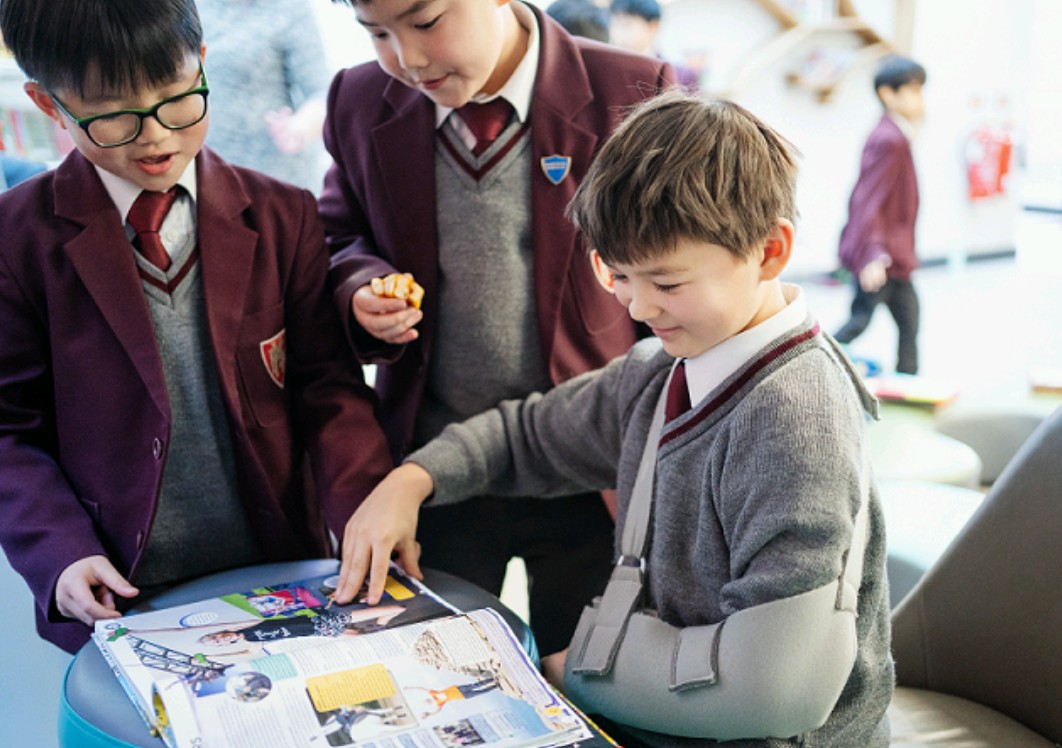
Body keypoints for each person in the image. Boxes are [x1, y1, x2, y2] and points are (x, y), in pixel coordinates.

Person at [334, 91, 893, 745]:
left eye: (668, 282)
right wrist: (412, 481)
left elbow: (771, 690)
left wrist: (578, 674)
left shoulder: (797, 422)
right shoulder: (661, 370)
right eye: (616, 275)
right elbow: (527, 437)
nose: (639, 306)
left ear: (769, 252)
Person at [0, 0, 393, 654]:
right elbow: (8, 427)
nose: (156, 136)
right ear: (49, 104)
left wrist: (364, 510)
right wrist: (60, 552)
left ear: (203, 63)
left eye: (178, 98)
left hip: (277, 568)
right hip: (122, 586)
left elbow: (328, 388)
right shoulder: (18, 240)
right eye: (115, 113)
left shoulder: (280, 214)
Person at [320, 0, 676, 657]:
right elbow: (340, 233)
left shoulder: (632, 93)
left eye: (425, 22)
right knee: (434, 672)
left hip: (589, 470)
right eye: (376, 33)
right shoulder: (359, 99)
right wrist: (358, 289)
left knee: (595, 676)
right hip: (437, 464)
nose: (407, 58)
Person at [834, 55, 927, 375]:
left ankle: (908, 384)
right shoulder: (889, 139)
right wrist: (872, 253)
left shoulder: (896, 133)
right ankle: (813, 364)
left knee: (908, 322)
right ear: (888, 94)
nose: (919, 99)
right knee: (860, 321)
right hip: (883, 257)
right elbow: (867, 200)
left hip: (893, 256)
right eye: (913, 91)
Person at [196, 0, 332, 192]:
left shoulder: (288, 8)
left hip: (274, 183)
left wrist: (297, 128)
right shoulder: (189, 7)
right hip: (208, 176)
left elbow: (322, 93)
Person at [607, 0, 700, 90]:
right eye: (614, 25)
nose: (617, 34)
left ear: (653, 27)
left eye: (626, 25)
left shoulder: (682, 77)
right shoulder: (606, 72)